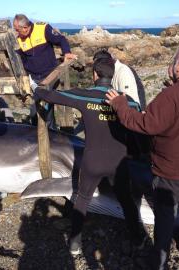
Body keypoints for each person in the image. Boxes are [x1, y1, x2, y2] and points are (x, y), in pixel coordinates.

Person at [106, 46, 179, 270]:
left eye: (174, 62)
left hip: (171, 171)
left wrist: (120, 104)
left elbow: (144, 124)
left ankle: (158, 263)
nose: (171, 66)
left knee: (165, 217)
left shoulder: (172, 96)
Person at [34, 57, 148, 255]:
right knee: (126, 200)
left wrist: (39, 89)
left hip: (92, 160)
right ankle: (137, 239)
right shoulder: (128, 101)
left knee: (83, 198)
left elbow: (51, 96)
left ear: (94, 74)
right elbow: (139, 123)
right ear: (113, 75)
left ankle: (75, 243)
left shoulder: (85, 96)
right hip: (118, 162)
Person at [13, 14, 77, 83]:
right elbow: (21, 59)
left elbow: (61, 39)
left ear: (25, 28)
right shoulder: (18, 39)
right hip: (33, 79)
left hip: (51, 75)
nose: (16, 32)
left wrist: (67, 52)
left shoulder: (43, 28)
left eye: (17, 30)